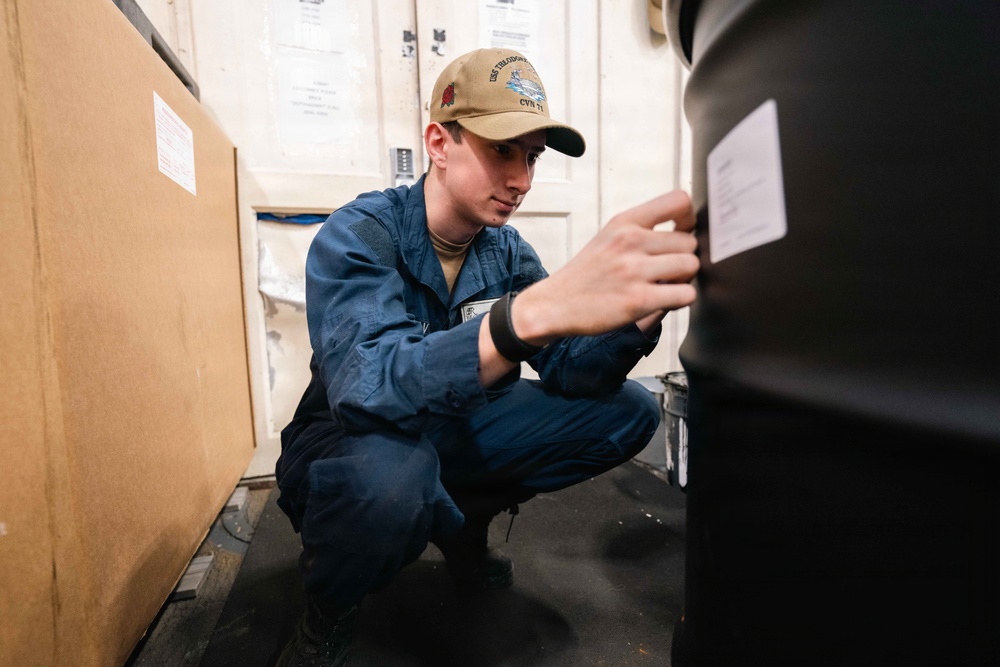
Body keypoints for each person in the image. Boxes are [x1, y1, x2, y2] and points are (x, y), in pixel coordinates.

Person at [274, 47, 699, 666]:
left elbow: (570, 371)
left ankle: (462, 521)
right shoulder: (360, 234)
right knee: (391, 479)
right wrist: (521, 319)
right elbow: (369, 389)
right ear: (438, 143)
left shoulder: (505, 251)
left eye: (532, 157)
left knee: (628, 412)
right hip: (350, 440)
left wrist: (637, 316)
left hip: (453, 429)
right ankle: (329, 607)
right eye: (502, 149)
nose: (522, 180)